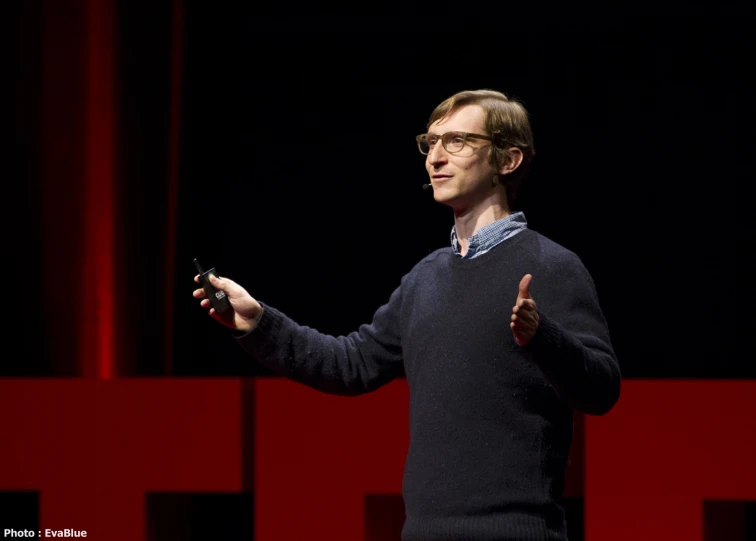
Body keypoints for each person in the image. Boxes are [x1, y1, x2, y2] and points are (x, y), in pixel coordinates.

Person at [193, 89, 621, 541]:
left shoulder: (552, 267)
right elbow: (350, 365)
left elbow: (602, 389)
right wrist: (258, 323)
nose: (435, 157)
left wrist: (542, 337)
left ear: (507, 159)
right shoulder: (425, 279)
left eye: (455, 141)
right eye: (430, 143)